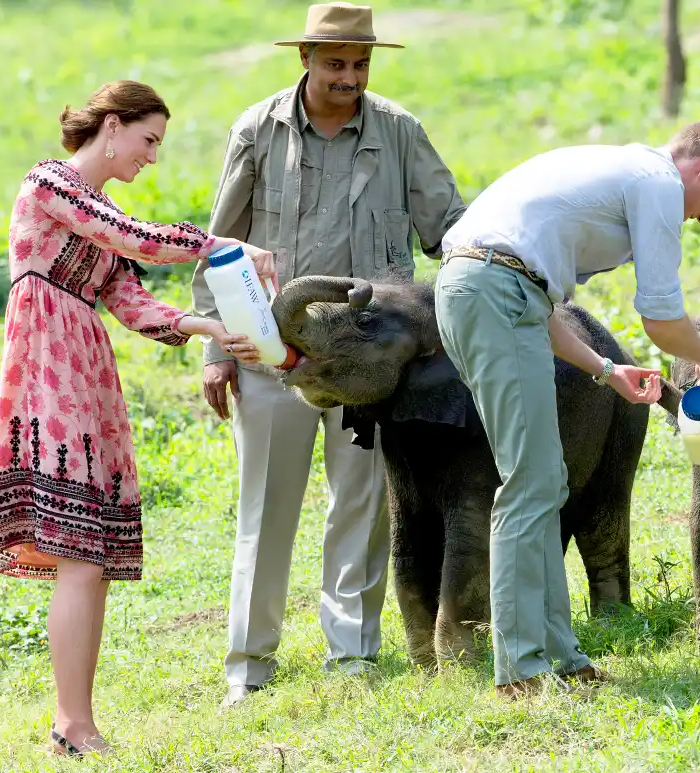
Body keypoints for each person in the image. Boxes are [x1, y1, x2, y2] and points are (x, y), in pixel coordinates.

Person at [0, 80, 277, 756]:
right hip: (47, 362)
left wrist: (208, 325)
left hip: (81, 362)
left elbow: (131, 299)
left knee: (88, 556)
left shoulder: (96, 209)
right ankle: (73, 725)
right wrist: (218, 243)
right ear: (111, 127)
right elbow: (135, 239)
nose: (152, 156)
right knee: (78, 552)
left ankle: (73, 724)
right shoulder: (50, 185)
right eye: (148, 140)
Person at [190, 1, 467, 708]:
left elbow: (448, 227)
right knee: (266, 508)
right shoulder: (257, 129)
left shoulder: (400, 130)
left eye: (361, 63)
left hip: (370, 360)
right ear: (306, 59)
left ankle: (353, 655)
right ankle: (248, 667)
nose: (350, 76)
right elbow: (218, 244)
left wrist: (503, 250)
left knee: (363, 504)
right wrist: (214, 351)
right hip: (269, 351)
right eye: (337, 63)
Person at [434, 120, 700, 699]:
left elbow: (536, 295)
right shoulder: (656, 180)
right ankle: (521, 669)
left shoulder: (618, 172)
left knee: (544, 480)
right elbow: (659, 313)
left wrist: (606, 370)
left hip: (490, 291)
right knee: (530, 484)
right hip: (489, 293)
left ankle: (560, 654)